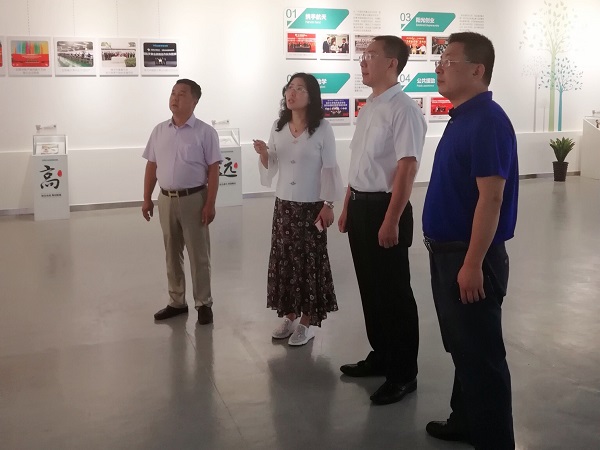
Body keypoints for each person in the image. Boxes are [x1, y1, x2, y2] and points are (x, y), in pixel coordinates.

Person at [422, 32, 518, 449]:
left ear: (477, 70)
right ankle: (465, 420)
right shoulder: (463, 118)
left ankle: (494, 440)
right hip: (450, 254)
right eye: (439, 61)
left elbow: (491, 197)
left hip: (469, 256)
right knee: (464, 348)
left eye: (449, 61)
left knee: (482, 356)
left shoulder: (487, 121)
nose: (439, 68)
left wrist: (473, 263)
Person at [338, 36, 426, 405]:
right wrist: (347, 205)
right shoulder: (370, 107)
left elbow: (407, 168)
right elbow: (360, 163)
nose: (363, 61)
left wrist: (391, 220)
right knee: (370, 289)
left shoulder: (403, 109)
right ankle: (382, 355)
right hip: (361, 207)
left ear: (392, 63)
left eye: (371, 55)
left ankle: (403, 374)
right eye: (363, 55)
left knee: (394, 295)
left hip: (385, 209)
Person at [253, 73, 344, 346]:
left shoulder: (322, 128)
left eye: (300, 89)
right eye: (290, 88)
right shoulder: (279, 126)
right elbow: (273, 163)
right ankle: (289, 315)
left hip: (311, 206)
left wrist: (328, 204)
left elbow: (330, 167)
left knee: (308, 263)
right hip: (284, 205)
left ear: (311, 96)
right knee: (285, 261)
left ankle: (307, 321)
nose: (292, 93)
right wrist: (264, 154)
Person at [142, 79, 222, 325]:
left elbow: (213, 170)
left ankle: (203, 303)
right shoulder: (159, 130)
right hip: (166, 199)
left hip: (194, 199)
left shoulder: (205, 132)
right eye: (173, 93)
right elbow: (152, 166)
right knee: (171, 252)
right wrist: (146, 198)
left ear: (194, 101)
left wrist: (210, 203)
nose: (175, 98)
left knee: (199, 255)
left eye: (182, 94)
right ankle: (176, 301)